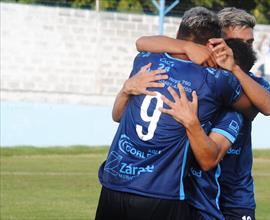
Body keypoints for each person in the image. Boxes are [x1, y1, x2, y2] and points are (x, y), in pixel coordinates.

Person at [95, 7, 254, 220]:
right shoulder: (214, 80)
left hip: (114, 183)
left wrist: (125, 89)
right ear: (211, 44)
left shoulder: (145, 61)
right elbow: (256, 108)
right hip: (160, 191)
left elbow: (117, 115)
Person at [135, 7, 270, 220]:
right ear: (215, 41)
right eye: (239, 43)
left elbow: (268, 107)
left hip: (235, 193)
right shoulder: (198, 73)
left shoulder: (252, 82)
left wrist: (235, 69)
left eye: (250, 42)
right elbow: (142, 42)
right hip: (194, 190)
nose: (247, 49)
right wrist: (186, 46)